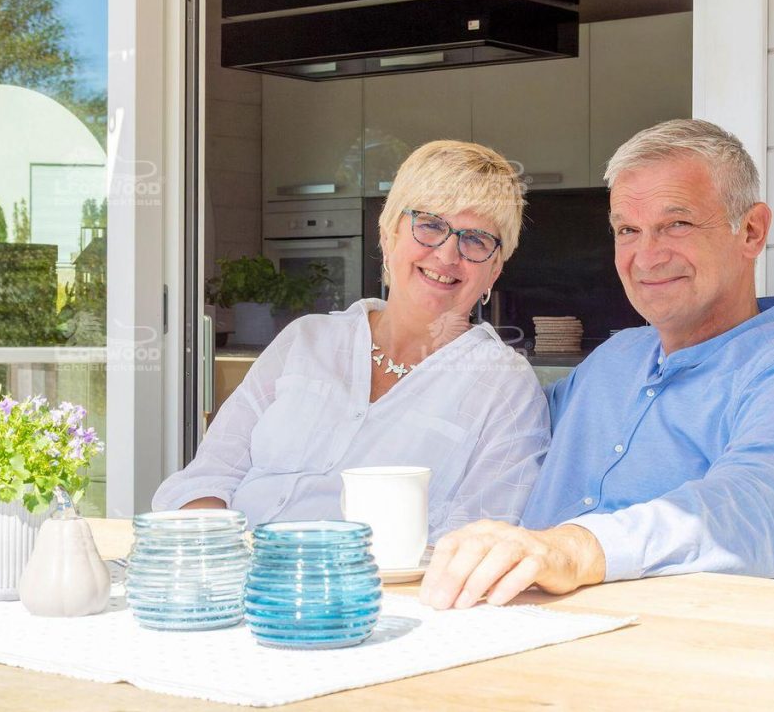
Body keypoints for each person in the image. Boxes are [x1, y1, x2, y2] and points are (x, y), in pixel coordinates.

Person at [419, 119, 774, 610]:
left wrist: (573, 548)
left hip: (699, 656)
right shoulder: (614, 359)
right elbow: (499, 432)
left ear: (750, 231)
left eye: (677, 224)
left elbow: (753, 515)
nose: (646, 256)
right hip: (518, 631)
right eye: (628, 230)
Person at [153, 140, 550, 541]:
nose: (447, 255)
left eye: (475, 240)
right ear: (388, 235)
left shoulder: (504, 387)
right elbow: (208, 477)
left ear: (495, 270)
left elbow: (477, 541)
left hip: (373, 596)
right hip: (234, 573)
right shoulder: (305, 340)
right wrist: (209, 554)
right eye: (430, 225)